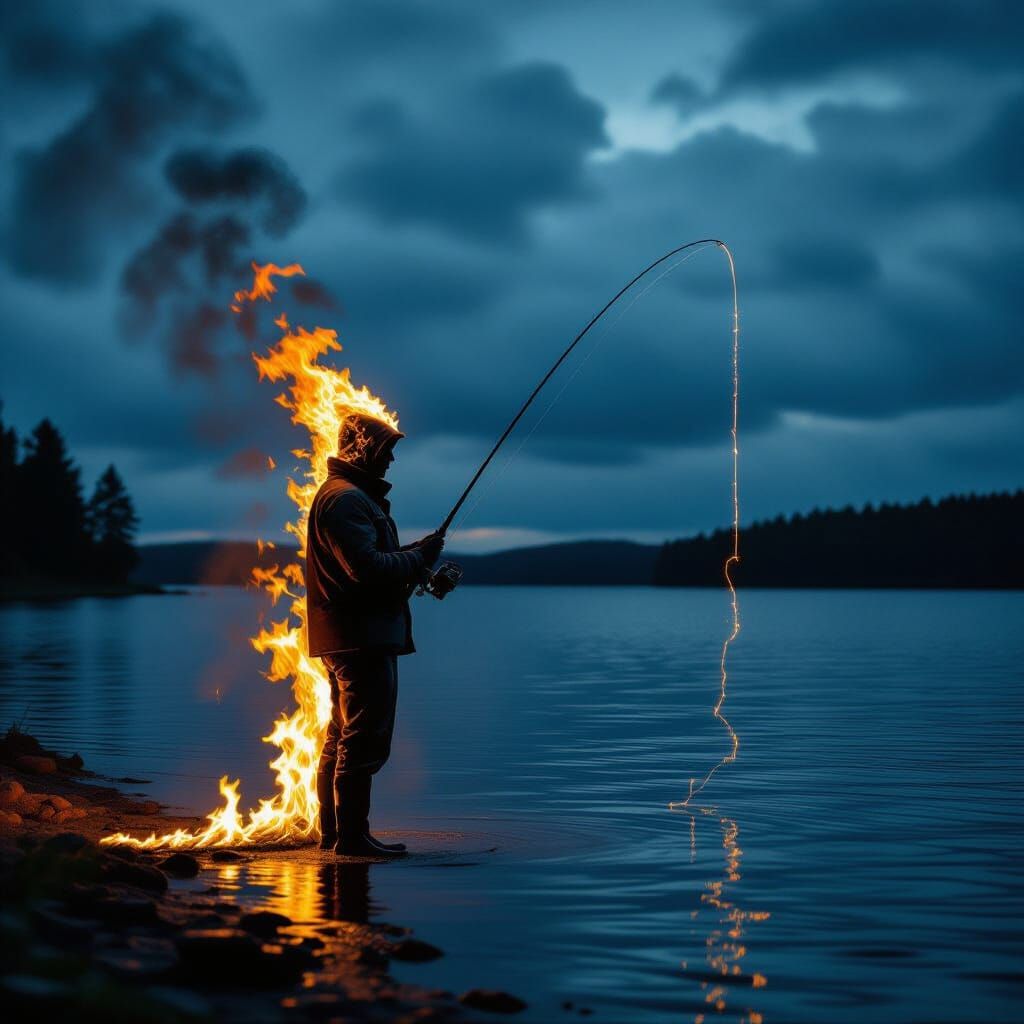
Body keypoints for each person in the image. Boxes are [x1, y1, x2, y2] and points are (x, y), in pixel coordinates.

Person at [306, 412, 444, 857]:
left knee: (343, 735)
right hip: (359, 638)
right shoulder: (345, 500)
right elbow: (366, 571)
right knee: (363, 738)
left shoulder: (348, 498)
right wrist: (418, 558)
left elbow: (373, 565)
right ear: (363, 449)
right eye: (385, 452)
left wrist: (415, 560)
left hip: (352, 635)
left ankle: (336, 837)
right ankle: (350, 839)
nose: (389, 462)